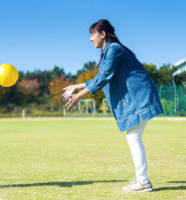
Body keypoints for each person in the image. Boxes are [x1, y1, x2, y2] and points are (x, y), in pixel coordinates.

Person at [62, 19, 163, 192]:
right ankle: (141, 178)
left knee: (133, 137)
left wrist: (79, 95)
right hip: (139, 97)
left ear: (103, 34)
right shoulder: (110, 51)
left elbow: (103, 78)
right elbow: (101, 76)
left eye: (92, 34)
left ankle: (143, 181)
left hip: (139, 98)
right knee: (133, 137)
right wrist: (77, 86)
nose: (90, 39)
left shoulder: (114, 49)